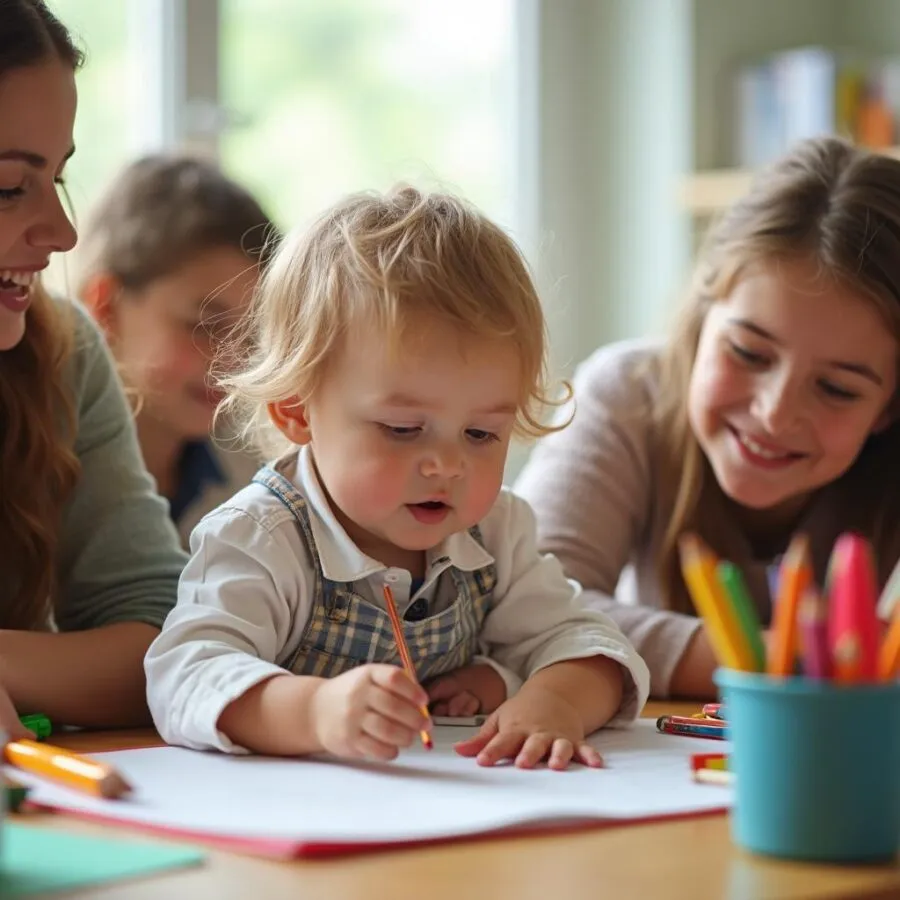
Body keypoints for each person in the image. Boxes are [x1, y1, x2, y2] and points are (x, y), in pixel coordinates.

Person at [145, 185, 650, 769]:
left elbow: (593, 645)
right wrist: (315, 712)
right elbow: (187, 673)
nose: (448, 465)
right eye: (404, 429)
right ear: (298, 410)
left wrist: (552, 700)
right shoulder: (261, 536)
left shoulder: (495, 531)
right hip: (306, 830)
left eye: (482, 434)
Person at [515, 136, 900, 700]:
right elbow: (526, 608)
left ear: (889, 407)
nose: (774, 414)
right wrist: (772, 659)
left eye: (838, 389)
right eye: (748, 353)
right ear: (700, 320)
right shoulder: (627, 394)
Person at [0, 0, 187, 736]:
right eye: (9, 186)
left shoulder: (63, 350)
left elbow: (174, 644)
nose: (64, 232)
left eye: (60, 178)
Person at [78, 154, 278, 543]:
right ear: (105, 306)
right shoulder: (36, 470)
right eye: (204, 325)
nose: (234, 361)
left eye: (251, 333)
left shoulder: (258, 475)